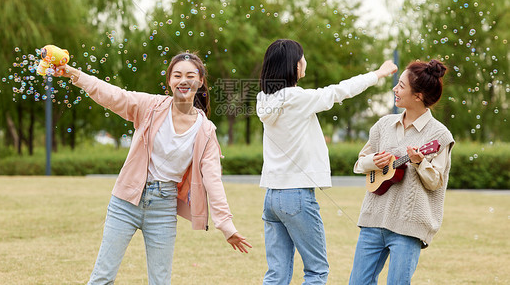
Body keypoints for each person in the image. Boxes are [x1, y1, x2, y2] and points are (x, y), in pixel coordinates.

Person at [56, 51, 251, 285]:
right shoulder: (151, 106)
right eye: (177, 75)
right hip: (125, 201)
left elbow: (213, 181)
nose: (183, 80)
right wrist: (74, 74)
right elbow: (113, 95)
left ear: (200, 82)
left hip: (164, 207)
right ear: (169, 81)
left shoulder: (206, 130)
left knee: (160, 281)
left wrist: (226, 226)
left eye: (190, 75)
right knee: (102, 278)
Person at [256, 39, 398, 285]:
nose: (305, 61)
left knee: (276, 275)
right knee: (316, 272)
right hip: (296, 195)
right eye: (302, 57)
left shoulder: (264, 99)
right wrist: (378, 74)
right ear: (294, 66)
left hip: (272, 196)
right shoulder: (296, 98)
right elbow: (339, 90)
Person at [349, 59, 455, 285]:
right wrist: (374, 162)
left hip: (408, 228)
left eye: (401, 86)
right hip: (373, 221)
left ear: (418, 96)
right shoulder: (383, 125)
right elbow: (360, 163)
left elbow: (436, 182)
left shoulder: (439, 135)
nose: (394, 89)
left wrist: (419, 162)